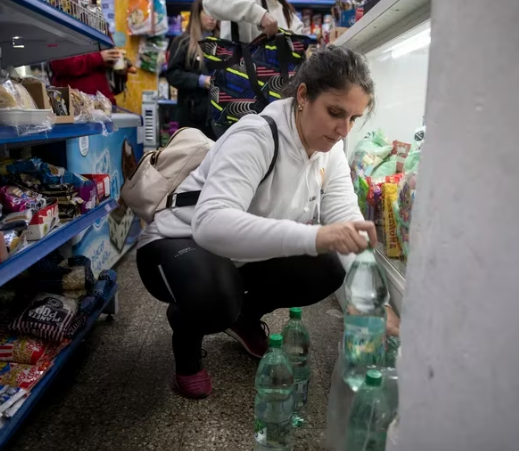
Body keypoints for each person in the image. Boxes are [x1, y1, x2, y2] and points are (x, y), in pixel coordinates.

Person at [135, 46, 400, 399]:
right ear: (303, 96)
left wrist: (375, 302)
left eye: (354, 118)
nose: (342, 129)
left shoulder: (330, 148)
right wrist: (316, 236)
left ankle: (243, 318)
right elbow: (210, 225)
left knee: (329, 267)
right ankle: (187, 335)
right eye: (335, 112)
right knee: (213, 295)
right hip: (176, 242)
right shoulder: (257, 135)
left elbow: (345, 219)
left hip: (235, 253)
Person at [165, 0, 218, 139]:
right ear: (197, 14)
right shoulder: (183, 42)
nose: (213, 18)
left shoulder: (222, 44)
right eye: (208, 12)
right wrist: (201, 81)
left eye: (216, 13)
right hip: (191, 117)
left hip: (216, 117)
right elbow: (173, 74)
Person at [203, 0, 303, 42]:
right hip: (240, 78)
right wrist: (259, 15)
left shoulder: (286, 10)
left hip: (276, 83)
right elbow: (209, 2)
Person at [50, 49, 122, 104]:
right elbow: (61, 65)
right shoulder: (63, 32)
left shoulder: (104, 31)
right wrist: (98, 57)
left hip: (103, 103)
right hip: (75, 105)